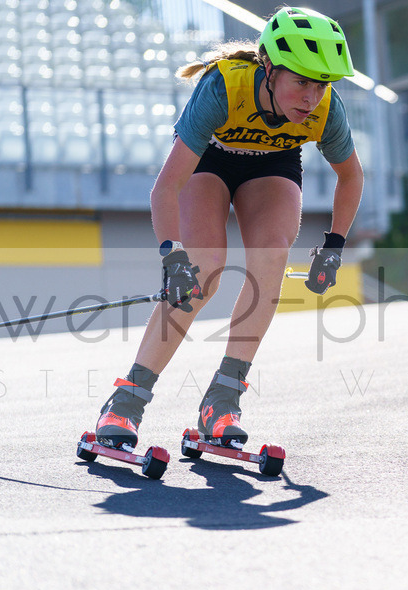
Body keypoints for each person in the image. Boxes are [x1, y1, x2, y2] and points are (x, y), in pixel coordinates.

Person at [93, 6, 363, 452]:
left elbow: (351, 176)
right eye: (301, 81)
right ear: (270, 69)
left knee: (273, 254)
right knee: (204, 272)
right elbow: (166, 187)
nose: (312, 97)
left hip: (271, 165)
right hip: (208, 163)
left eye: (321, 85)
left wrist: (333, 247)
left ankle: (222, 401)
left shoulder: (326, 110)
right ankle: (126, 401)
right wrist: (172, 254)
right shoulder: (223, 85)